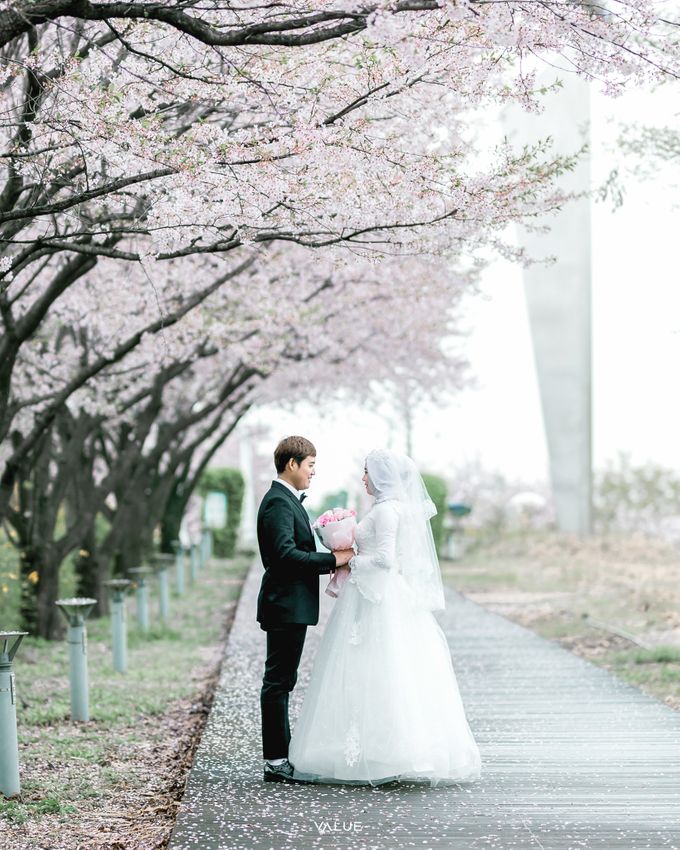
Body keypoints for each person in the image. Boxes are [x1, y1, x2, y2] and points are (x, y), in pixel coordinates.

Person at [288, 447, 482, 786]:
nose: (363, 478)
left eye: (367, 472)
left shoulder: (387, 512)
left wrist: (349, 561)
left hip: (379, 596)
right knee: (367, 670)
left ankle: (390, 750)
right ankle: (373, 746)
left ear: (381, 476)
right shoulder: (383, 509)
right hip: (368, 594)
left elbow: (385, 561)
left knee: (385, 667)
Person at [256, 435, 353, 783]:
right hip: (284, 605)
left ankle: (278, 756)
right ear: (292, 464)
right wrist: (334, 559)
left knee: (283, 680)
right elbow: (285, 556)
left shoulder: (286, 500)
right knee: (278, 681)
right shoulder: (278, 503)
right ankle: (276, 761)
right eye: (310, 464)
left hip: (289, 605)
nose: (314, 472)